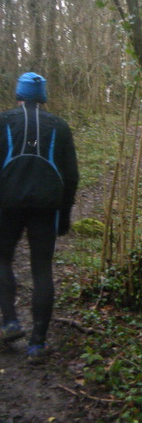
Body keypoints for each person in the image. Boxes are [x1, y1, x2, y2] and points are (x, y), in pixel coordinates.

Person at [0, 72, 79, 360]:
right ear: (43, 97)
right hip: (46, 207)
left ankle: (9, 322)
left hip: (6, 203)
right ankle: (37, 343)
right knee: (41, 269)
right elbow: (71, 176)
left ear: (18, 94)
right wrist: (65, 213)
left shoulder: (3, 120)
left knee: (2, 258)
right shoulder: (58, 125)